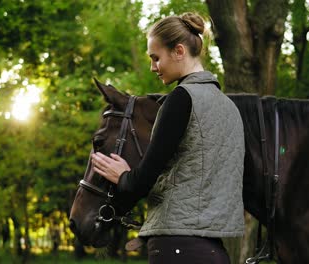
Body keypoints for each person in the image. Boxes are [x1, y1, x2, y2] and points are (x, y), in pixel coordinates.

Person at [91, 12, 245, 264]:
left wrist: (122, 176)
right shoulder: (229, 108)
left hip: (176, 246)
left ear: (179, 51)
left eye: (156, 58)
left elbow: (143, 179)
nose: (153, 67)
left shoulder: (181, 99)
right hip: (216, 251)